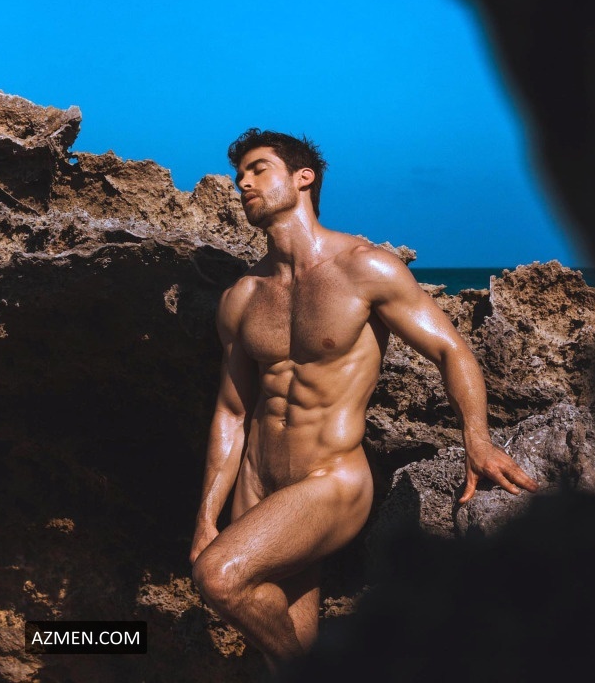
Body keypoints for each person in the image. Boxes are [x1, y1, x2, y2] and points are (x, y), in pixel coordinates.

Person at [189, 128, 539, 673]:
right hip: (259, 487)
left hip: (331, 480)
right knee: (281, 653)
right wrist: (206, 517)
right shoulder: (242, 297)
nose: (243, 184)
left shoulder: (364, 268)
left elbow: (449, 350)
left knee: (218, 576)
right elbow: (232, 412)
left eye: (258, 169)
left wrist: (478, 439)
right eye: (239, 176)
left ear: (303, 178)